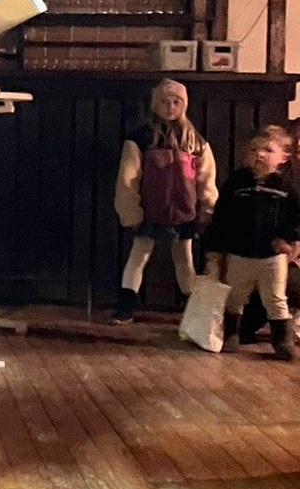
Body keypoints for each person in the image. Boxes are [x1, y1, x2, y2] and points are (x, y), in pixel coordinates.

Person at [112, 79, 217, 323]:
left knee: (184, 260)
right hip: (150, 210)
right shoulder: (141, 138)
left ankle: (193, 312)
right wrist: (131, 212)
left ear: (184, 105)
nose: (170, 107)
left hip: (184, 211)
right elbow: (128, 178)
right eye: (164, 102)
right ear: (154, 105)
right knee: (139, 256)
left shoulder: (195, 141)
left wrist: (206, 207)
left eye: (176, 102)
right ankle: (126, 306)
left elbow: (206, 177)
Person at [203, 130, 300, 359]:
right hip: (239, 253)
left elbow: (296, 216)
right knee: (235, 297)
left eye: (268, 150)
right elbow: (222, 217)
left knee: (275, 298)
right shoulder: (236, 183)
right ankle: (231, 335)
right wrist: (214, 249)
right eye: (254, 149)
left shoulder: (286, 187)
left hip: (272, 256)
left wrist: (286, 237)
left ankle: (282, 340)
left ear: (283, 157)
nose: (260, 155)